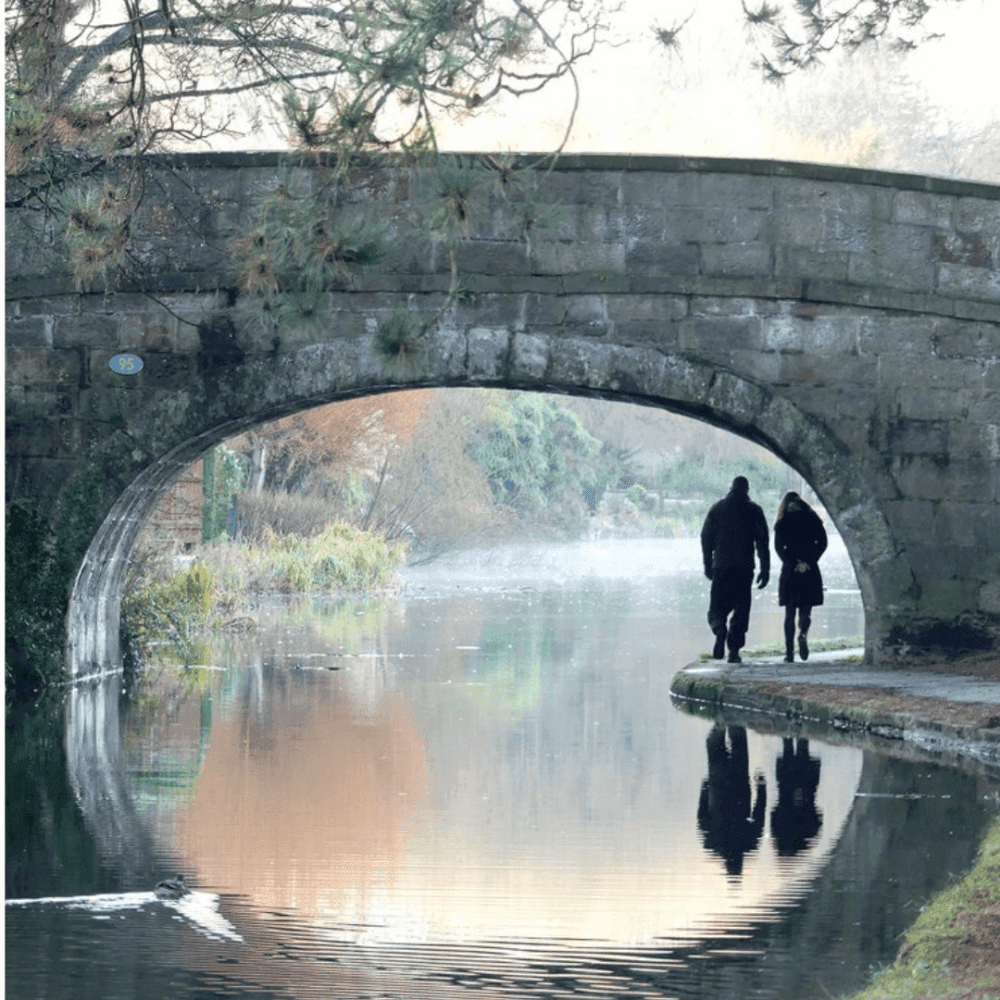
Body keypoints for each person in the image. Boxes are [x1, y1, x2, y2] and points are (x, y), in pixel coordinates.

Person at [700, 476, 770, 664]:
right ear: (747, 490)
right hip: (744, 568)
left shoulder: (718, 508)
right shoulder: (754, 510)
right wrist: (765, 568)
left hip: (721, 566)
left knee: (716, 607)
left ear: (730, 488)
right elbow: (763, 541)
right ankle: (733, 651)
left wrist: (707, 563)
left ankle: (720, 629)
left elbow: (705, 537)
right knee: (741, 609)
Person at [774, 491, 827, 662]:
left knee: (789, 613)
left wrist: (792, 563)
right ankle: (803, 634)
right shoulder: (812, 518)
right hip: (810, 569)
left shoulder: (782, 522)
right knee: (806, 610)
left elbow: (778, 548)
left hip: (790, 571)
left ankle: (789, 654)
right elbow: (823, 543)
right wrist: (809, 561)